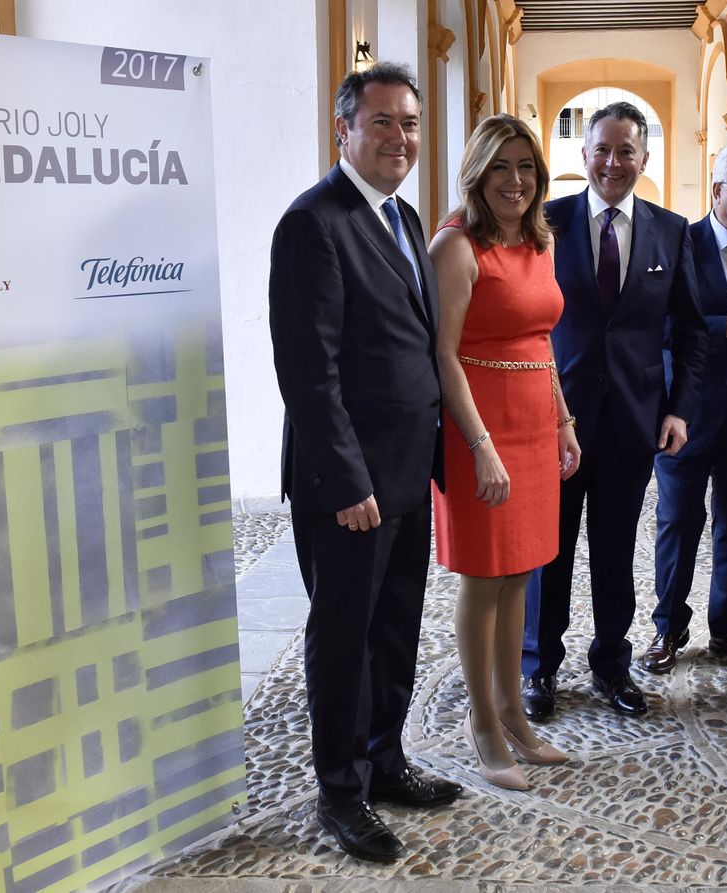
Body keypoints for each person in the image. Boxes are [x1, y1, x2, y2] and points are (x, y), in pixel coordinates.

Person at [268, 62, 461, 863]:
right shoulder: (314, 222)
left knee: (395, 627)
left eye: (410, 124)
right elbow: (307, 370)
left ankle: (384, 759)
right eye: (381, 122)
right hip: (347, 484)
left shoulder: (405, 218)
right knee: (343, 638)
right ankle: (340, 792)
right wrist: (349, 482)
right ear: (341, 129)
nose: (400, 138)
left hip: (407, 471)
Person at [521, 101, 708, 719]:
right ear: (583, 156)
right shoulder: (545, 223)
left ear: (644, 158)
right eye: (601, 149)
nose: (612, 162)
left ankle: (611, 665)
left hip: (633, 423)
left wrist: (679, 408)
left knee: (615, 550)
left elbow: (692, 330)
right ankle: (538, 669)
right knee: (548, 552)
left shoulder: (671, 231)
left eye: (626, 150)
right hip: (556, 422)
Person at [428, 114, 579, 791]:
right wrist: (481, 446)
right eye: (501, 167)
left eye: (526, 167)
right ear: (477, 173)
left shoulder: (539, 240)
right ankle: (483, 725)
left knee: (520, 574)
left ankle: (516, 714)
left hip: (534, 426)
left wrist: (565, 420)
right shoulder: (456, 247)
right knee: (483, 579)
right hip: (479, 433)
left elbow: (541, 339)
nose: (515, 181)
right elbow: (441, 355)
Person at [640, 143, 727, 676]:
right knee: (679, 519)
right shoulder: (679, 241)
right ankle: (667, 630)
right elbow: (656, 324)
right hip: (688, 410)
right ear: (716, 188)